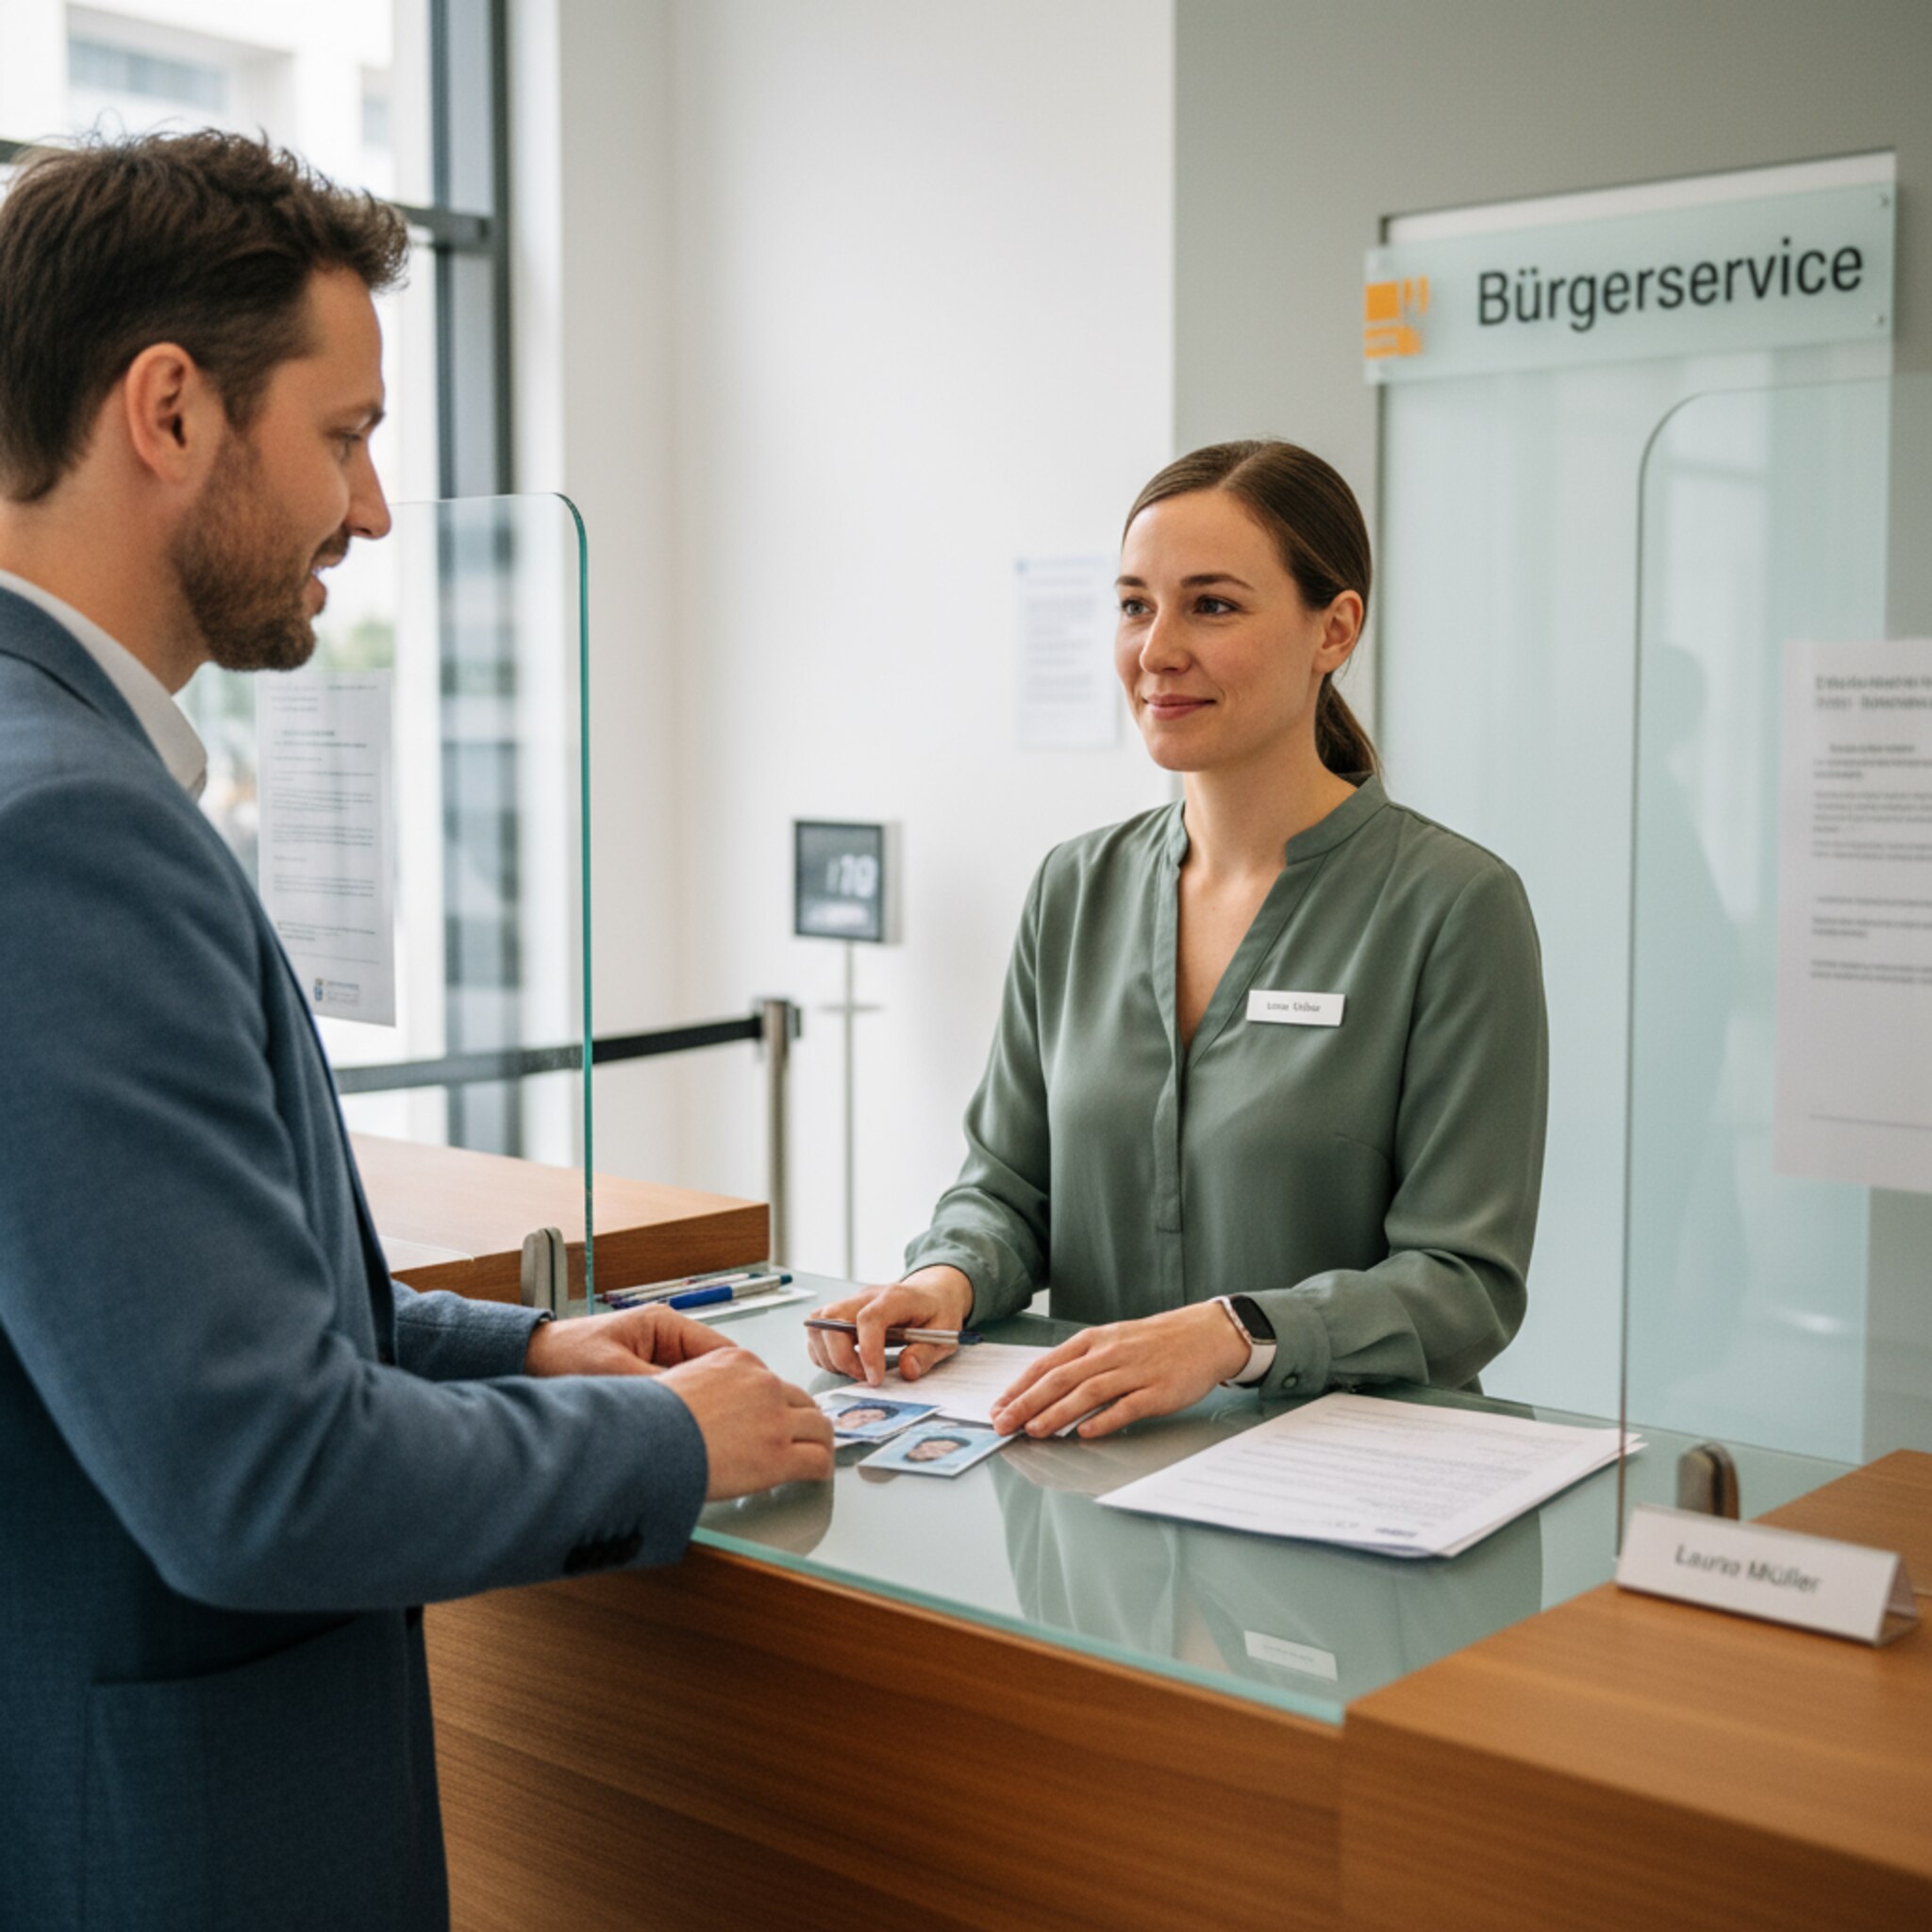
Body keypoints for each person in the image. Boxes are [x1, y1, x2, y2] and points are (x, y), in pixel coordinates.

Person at [0, 131, 832, 1932]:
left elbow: (169, 1311)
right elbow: (259, 1474)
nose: (370, 512)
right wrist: (684, 1443)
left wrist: (523, 1351)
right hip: (166, 1854)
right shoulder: (61, 828)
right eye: (347, 435)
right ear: (168, 410)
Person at [809, 440, 1547, 1441]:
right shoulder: (1075, 888)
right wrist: (944, 1279)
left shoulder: (1453, 906)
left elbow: (1464, 1282)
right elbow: (1005, 1186)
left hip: (1335, 1499)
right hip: (1080, 1477)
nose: (1155, 649)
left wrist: (1234, 1333)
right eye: (1132, 604)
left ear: (1333, 629)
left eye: (1211, 605)